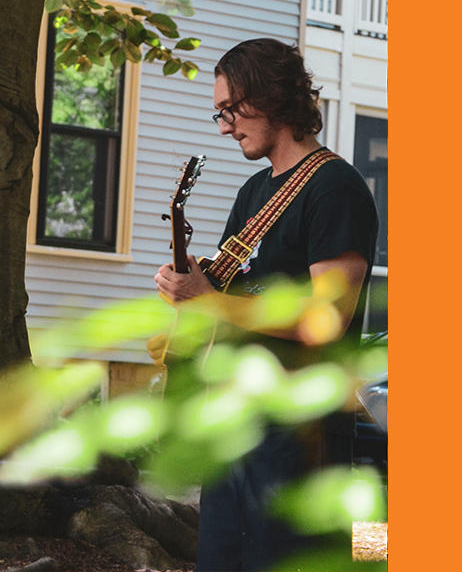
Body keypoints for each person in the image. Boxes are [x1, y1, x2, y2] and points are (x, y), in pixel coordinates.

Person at [150, 38, 378, 572]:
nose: (225, 127)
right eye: (219, 115)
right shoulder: (255, 191)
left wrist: (209, 301)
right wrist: (193, 283)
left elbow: (326, 319)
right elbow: (230, 298)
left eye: (230, 110)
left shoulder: (335, 188)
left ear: (270, 96)